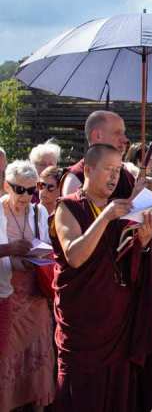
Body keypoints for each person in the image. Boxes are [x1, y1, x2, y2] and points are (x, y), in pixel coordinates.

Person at [52, 144, 152, 412]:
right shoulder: (69, 207)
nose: (114, 177)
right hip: (84, 327)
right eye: (108, 170)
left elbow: (126, 260)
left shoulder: (122, 208)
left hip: (118, 321)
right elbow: (75, 256)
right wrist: (106, 218)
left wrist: (143, 242)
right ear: (87, 169)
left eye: (118, 170)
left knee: (117, 397)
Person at [0, 161, 55, 411]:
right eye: (18, 189)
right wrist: (10, 250)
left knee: (37, 358)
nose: (25, 196)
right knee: (7, 358)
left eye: (31, 190)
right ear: (6, 186)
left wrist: (38, 257)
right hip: (7, 295)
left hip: (35, 294)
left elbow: (46, 247)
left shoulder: (39, 212)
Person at [61, 110, 138, 198]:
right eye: (117, 133)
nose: (125, 140)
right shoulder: (77, 178)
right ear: (97, 136)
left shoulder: (128, 177)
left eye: (124, 134)